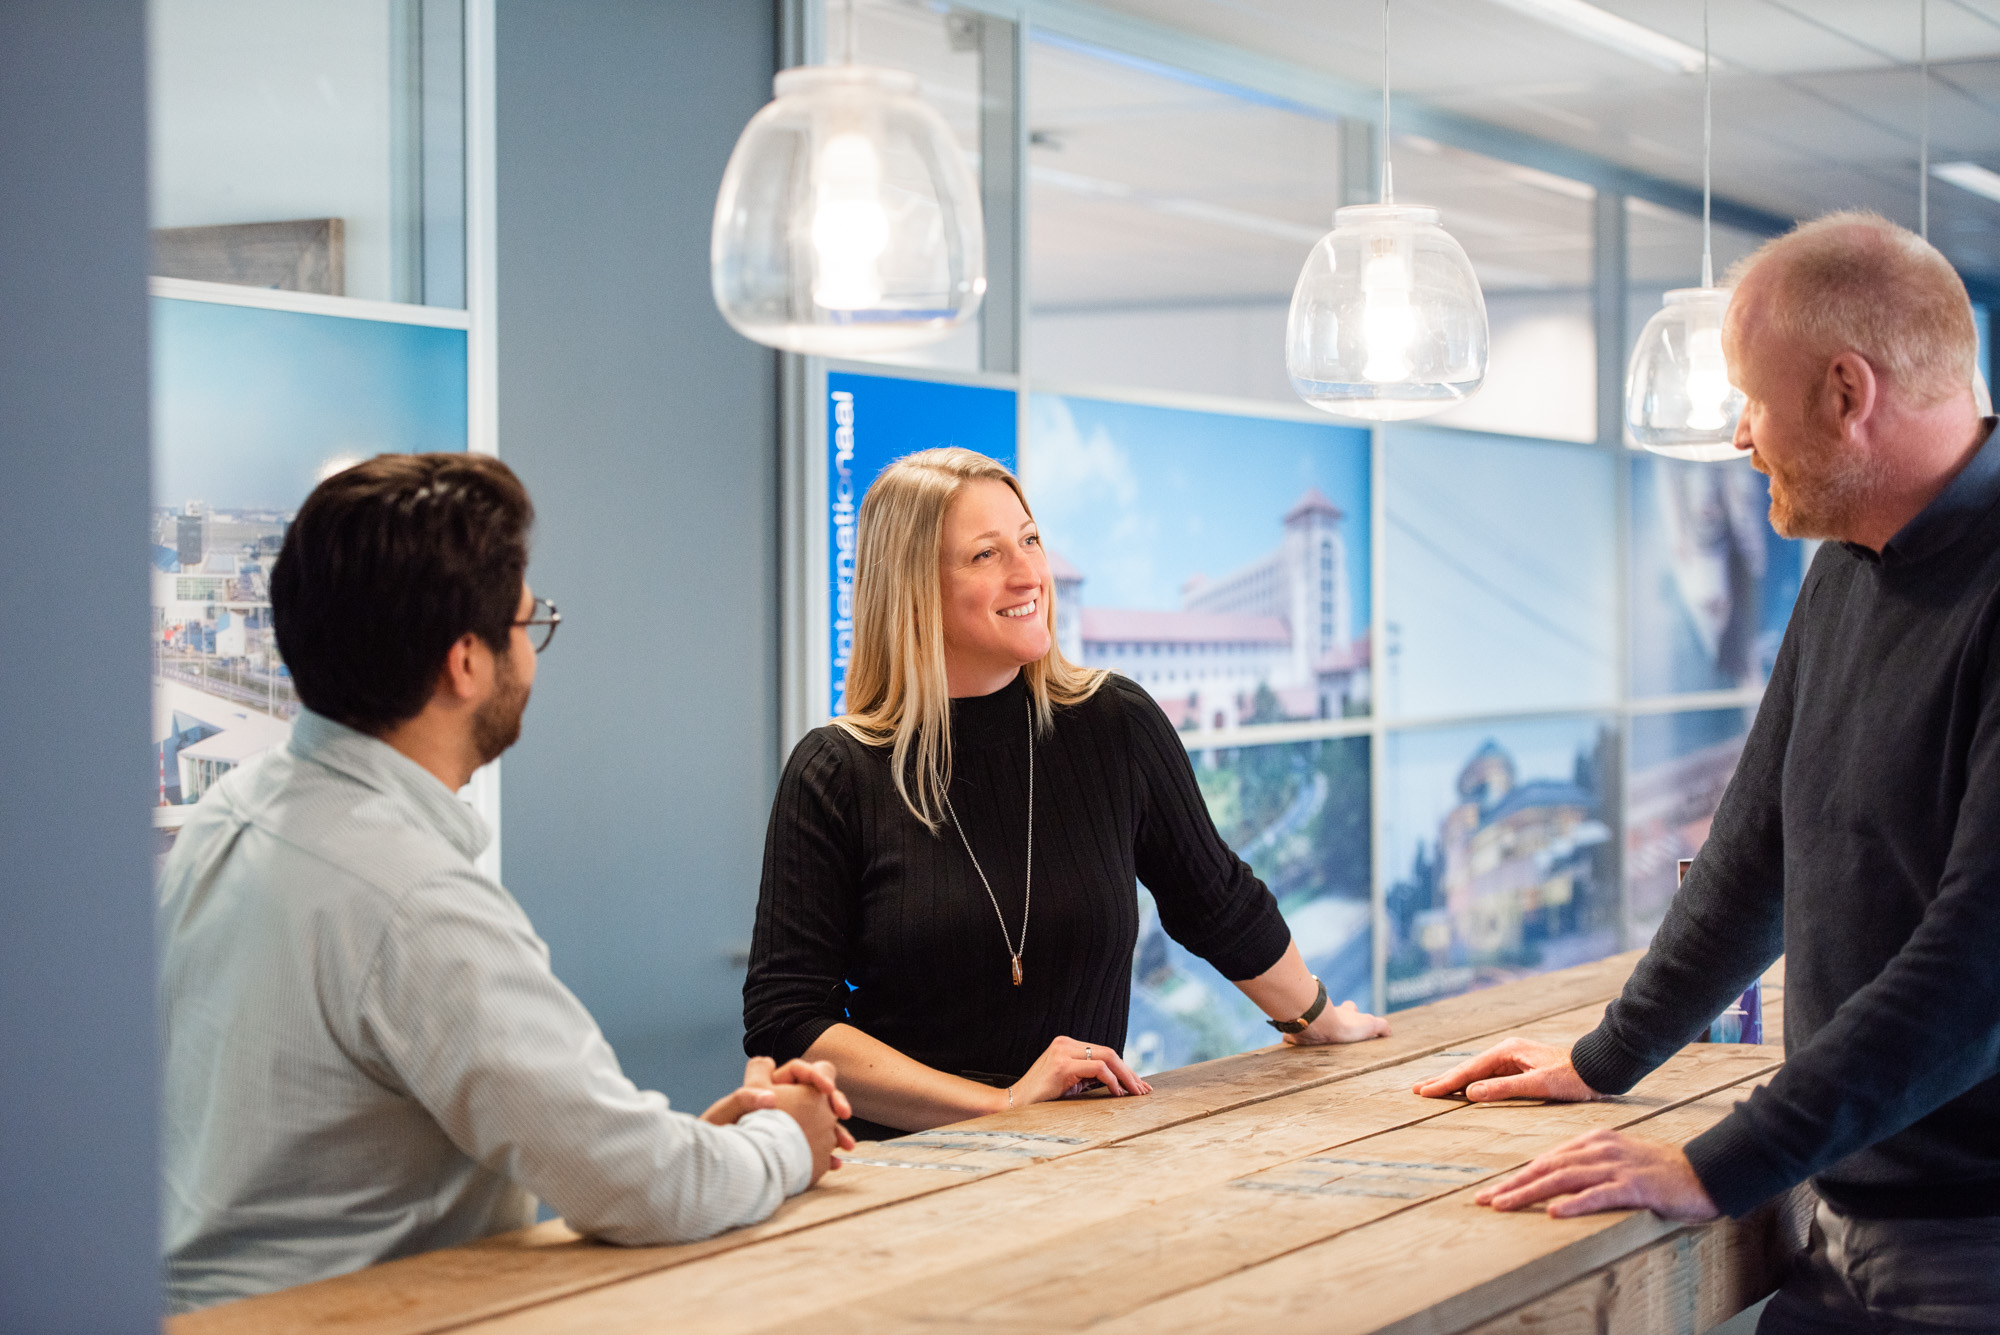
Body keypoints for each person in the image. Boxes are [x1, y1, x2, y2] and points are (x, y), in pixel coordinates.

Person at [1413, 213, 2000, 1330]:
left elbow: (1976, 970)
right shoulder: (1845, 567)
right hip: (1838, 1206)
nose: (1739, 437)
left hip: (1970, 1243)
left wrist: (1716, 1164)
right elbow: (1755, 850)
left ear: (1844, 393)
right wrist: (1606, 1057)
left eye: (1752, 399)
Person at [159, 454, 853, 1313]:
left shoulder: (232, 816)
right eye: (529, 624)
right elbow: (648, 1190)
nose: (532, 651)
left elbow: (585, 1148)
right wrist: (789, 1137)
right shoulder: (411, 898)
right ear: (465, 662)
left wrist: (689, 1144)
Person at [743, 447, 1388, 1141]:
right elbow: (789, 1020)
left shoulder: (1115, 723)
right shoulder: (836, 770)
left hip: (1086, 1163)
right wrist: (1002, 1103)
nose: (1029, 574)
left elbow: (1216, 899)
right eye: (985, 555)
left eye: (1029, 540)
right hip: (904, 1179)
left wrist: (1320, 1019)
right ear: (912, 586)